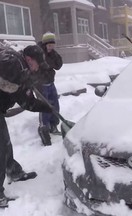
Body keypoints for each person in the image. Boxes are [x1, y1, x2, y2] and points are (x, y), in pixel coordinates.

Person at [0, 45, 52, 207]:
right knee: (0, 149)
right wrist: (45, 107)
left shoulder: (16, 62)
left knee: (5, 144)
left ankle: (13, 172)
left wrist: (27, 83)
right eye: (37, 64)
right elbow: (25, 101)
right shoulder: (14, 66)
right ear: (29, 59)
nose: (37, 68)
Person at [37, 32, 63, 146]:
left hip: (50, 83)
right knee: (45, 107)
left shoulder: (52, 53)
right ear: (45, 44)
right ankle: (44, 128)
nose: (51, 46)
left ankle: (53, 125)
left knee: (55, 105)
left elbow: (58, 65)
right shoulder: (38, 53)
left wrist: (54, 55)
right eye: (49, 44)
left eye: (53, 44)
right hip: (41, 84)